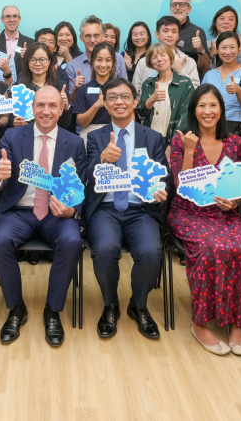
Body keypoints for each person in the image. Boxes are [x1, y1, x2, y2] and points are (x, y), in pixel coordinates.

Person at [0, 86, 87, 346]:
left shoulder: (74, 143)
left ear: (61, 110)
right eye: (40, 105)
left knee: (72, 241)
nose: (46, 111)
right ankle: (16, 308)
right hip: (19, 210)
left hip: (56, 213)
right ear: (32, 108)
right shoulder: (12, 136)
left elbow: (81, 186)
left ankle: (52, 310)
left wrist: (72, 209)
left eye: (52, 105)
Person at [168, 84, 241, 356]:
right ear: (193, 110)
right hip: (189, 212)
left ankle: (235, 322)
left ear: (221, 109)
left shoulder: (235, 143)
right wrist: (188, 150)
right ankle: (199, 323)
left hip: (225, 213)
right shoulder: (181, 140)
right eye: (202, 106)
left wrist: (235, 202)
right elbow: (180, 186)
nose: (207, 111)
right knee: (210, 248)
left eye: (213, 105)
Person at [84, 78, 168, 339]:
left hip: (140, 208)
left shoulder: (152, 137)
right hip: (105, 208)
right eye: (112, 97)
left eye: (124, 97)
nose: (118, 102)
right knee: (104, 249)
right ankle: (110, 305)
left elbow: (163, 175)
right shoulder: (95, 137)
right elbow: (85, 176)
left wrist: (160, 189)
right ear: (105, 103)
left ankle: (138, 305)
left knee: (151, 252)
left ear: (135, 101)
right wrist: (101, 159)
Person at [136, 42, 194, 146]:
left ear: (170, 58)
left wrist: (173, 144)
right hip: (149, 138)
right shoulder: (147, 84)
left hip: (173, 139)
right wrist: (152, 99)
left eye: (163, 55)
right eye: (154, 57)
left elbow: (185, 117)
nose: (159, 59)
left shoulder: (185, 83)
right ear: (150, 62)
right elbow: (141, 112)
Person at [201, 32, 241, 133]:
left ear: (238, 48)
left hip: (235, 126)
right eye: (223, 47)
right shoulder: (209, 74)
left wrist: (238, 90)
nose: (228, 52)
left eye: (232, 47)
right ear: (217, 49)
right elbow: (200, 102)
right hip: (209, 124)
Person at [66, 15, 127, 104]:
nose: (92, 40)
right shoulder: (72, 66)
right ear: (81, 38)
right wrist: (76, 89)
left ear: (102, 36)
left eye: (96, 35)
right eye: (88, 36)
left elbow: (125, 91)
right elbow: (72, 102)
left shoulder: (118, 59)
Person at [132, 16, 200, 94]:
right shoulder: (143, 62)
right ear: (157, 34)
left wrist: (180, 71)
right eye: (165, 31)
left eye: (174, 32)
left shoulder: (189, 62)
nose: (170, 35)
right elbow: (135, 93)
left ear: (178, 36)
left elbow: (195, 94)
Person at [15, 42, 72, 131]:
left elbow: (65, 124)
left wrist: (66, 107)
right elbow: (11, 116)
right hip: (25, 133)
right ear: (27, 62)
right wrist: (14, 122)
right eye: (33, 59)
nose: (38, 63)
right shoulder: (19, 86)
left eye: (42, 60)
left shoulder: (60, 85)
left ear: (49, 61)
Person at [73, 42, 118, 139]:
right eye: (99, 60)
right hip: (90, 135)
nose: (103, 65)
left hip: (116, 134)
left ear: (113, 62)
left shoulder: (120, 87)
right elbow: (81, 122)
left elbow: (130, 117)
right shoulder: (83, 90)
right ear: (92, 61)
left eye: (108, 60)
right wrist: (97, 105)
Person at [168, 0, 211, 75]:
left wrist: (200, 50)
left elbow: (205, 68)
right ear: (170, 9)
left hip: (189, 79)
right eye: (174, 5)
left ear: (189, 9)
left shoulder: (197, 32)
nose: (177, 8)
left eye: (182, 4)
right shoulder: (163, 30)